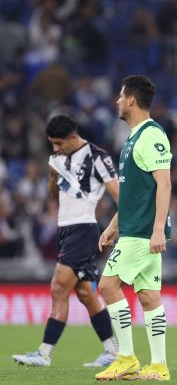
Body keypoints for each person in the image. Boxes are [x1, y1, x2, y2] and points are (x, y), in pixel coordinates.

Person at [12, 115, 119, 367]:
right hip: (65, 229)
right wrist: (51, 177)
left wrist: (115, 227)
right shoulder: (58, 158)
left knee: (58, 286)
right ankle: (113, 351)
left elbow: (119, 196)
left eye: (59, 143)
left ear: (73, 136)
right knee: (85, 293)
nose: (55, 149)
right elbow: (55, 195)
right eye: (52, 144)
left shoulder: (98, 157)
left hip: (83, 229)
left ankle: (44, 352)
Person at [95, 75, 172, 381]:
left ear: (131, 100)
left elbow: (164, 184)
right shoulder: (133, 138)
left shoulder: (151, 136)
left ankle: (125, 357)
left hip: (142, 233)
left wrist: (157, 230)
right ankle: (159, 366)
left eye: (120, 96)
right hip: (134, 228)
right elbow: (133, 193)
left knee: (107, 286)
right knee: (149, 297)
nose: (116, 100)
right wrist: (114, 224)